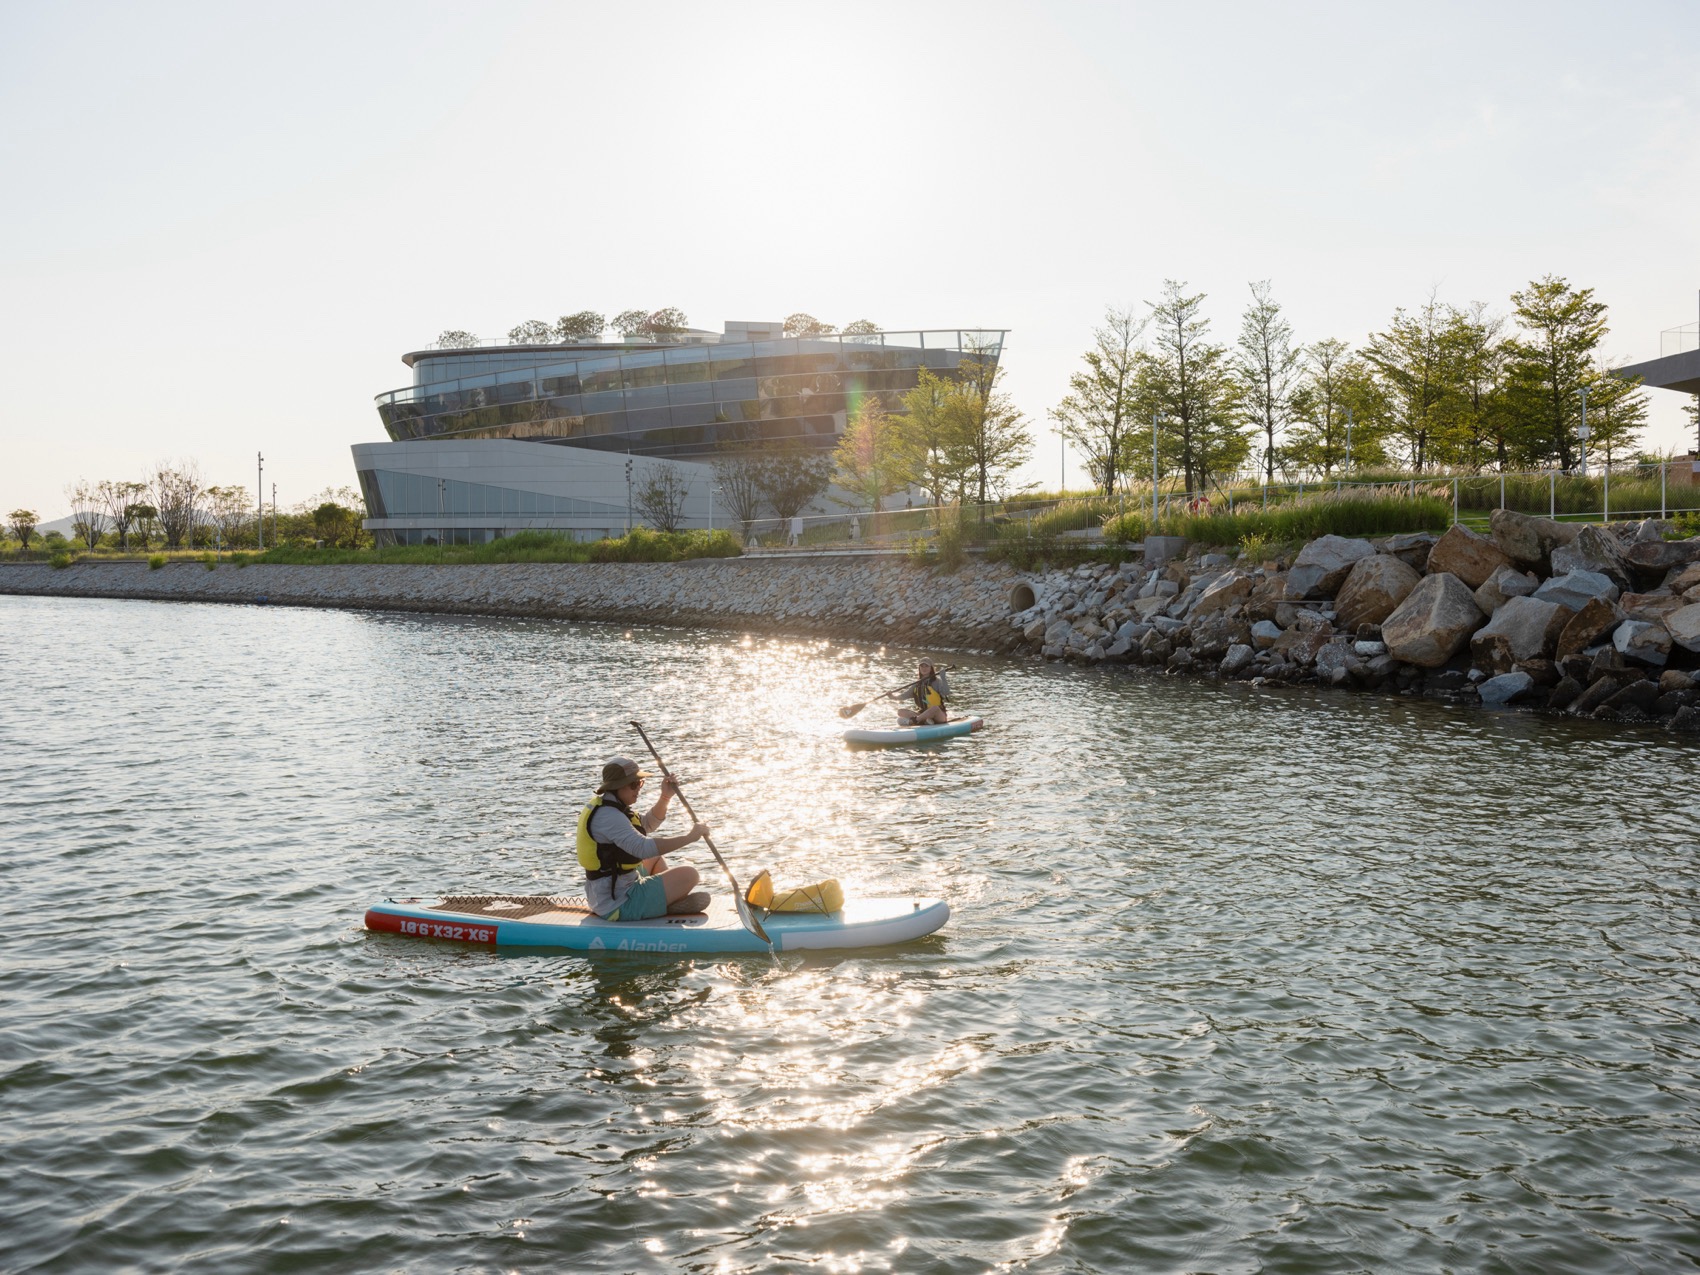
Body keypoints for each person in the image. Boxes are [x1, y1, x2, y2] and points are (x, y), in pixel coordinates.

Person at [576, 756, 709, 920]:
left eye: (639, 783)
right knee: (690, 874)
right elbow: (642, 848)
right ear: (617, 787)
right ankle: (665, 904)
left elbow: (647, 824)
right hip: (618, 903)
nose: (638, 788)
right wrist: (689, 838)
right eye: (634, 784)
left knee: (655, 858)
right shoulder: (608, 816)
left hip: (610, 890)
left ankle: (665, 899)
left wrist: (665, 797)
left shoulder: (610, 806)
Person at [896, 658, 950, 726]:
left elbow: (946, 693)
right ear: (919, 668)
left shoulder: (937, 682)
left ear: (931, 668)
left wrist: (943, 678)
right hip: (923, 714)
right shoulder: (917, 684)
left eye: (926, 666)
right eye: (922, 666)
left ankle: (913, 721)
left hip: (938, 715)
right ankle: (925, 721)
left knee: (935, 708)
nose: (924, 668)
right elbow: (904, 695)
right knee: (900, 712)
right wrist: (892, 697)